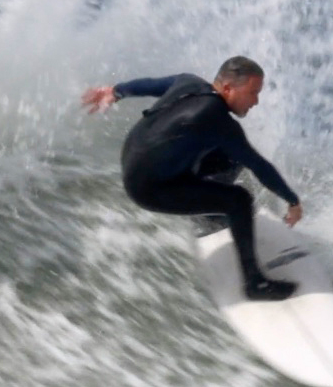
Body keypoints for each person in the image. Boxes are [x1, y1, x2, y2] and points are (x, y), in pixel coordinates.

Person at [82, 56, 304, 301]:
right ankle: (255, 284)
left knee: (232, 155)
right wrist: (292, 201)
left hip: (134, 160)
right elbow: (260, 166)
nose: (256, 101)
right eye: (253, 93)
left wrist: (116, 91)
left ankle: (208, 212)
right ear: (228, 88)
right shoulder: (218, 121)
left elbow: (149, 85)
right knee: (239, 200)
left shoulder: (189, 82)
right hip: (148, 187)